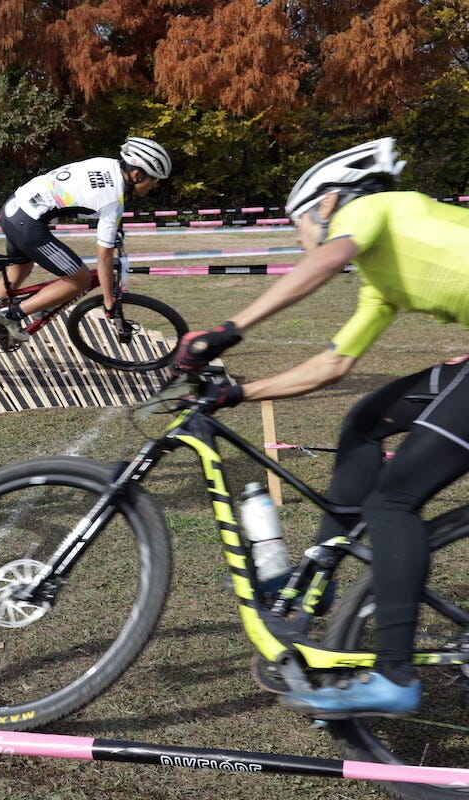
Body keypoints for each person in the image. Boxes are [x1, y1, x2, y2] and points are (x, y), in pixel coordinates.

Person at [171, 137, 469, 719]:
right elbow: (332, 366)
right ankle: (321, 572)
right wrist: (239, 392)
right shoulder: (384, 278)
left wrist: (228, 329)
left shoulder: (373, 207)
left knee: (392, 504)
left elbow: (324, 259)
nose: (301, 238)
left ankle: (395, 676)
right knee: (363, 420)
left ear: (327, 203)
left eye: (298, 225)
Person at [0, 137, 172, 342]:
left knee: (19, 269)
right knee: (80, 278)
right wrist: (109, 301)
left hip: (14, 207)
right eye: (154, 180)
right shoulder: (113, 200)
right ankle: (12, 315)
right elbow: (104, 257)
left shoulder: (105, 163)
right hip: (28, 223)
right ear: (137, 174)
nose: (154, 186)